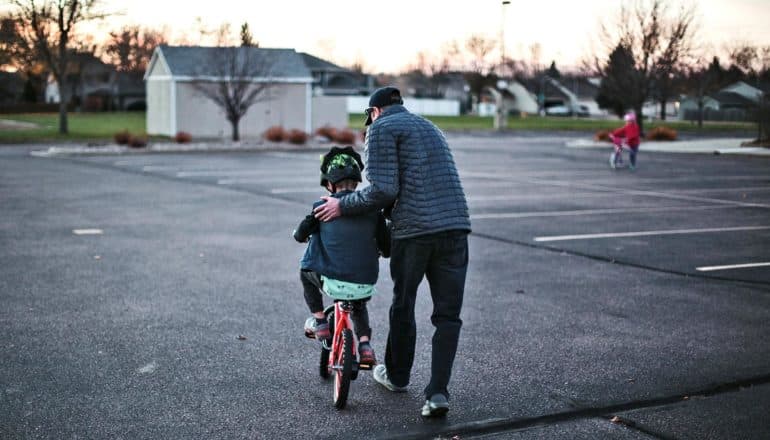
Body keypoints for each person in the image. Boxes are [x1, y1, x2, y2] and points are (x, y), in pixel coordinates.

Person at [313, 87, 471, 418]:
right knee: (448, 315)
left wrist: (342, 205)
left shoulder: (382, 128)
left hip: (415, 232)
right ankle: (437, 393)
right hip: (456, 227)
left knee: (404, 304)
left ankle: (398, 377)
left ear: (374, 112)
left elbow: (384, 190)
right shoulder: (429, 127)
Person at [293, 146, 390, 368]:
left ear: (330, 184)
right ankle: (365, 345)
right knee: (357, 306)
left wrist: (301, 232)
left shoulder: (322, 207)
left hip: (332, 280)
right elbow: (387, 248)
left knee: (304, 271)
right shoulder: (372, 211)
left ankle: (319, 321)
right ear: (356, 182)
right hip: (364, 283)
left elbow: (300, 234)